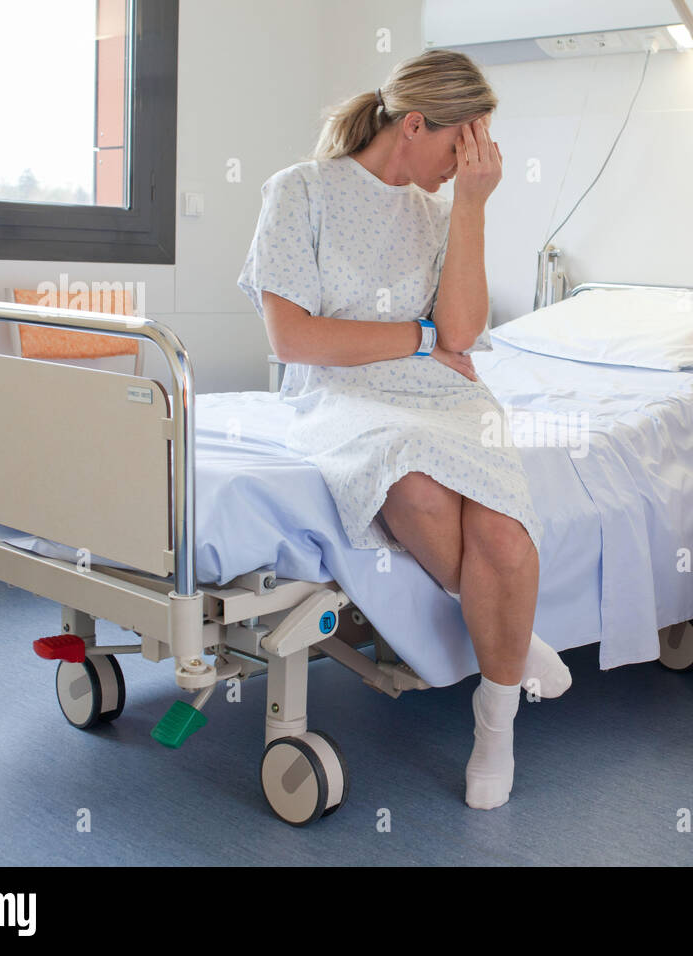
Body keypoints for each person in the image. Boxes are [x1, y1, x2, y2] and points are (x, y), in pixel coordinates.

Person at [237, 50, 570, 810]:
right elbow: (295, 340)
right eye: (464, 146)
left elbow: (459, 330)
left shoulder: (442, 210)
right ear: (415, 125)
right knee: (413, 484)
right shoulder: (301, 193)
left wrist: (475, 210)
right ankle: (511, 642)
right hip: (342, 394)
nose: (469, 164)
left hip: (444, 394)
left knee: (505, 535)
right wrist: (416, 340)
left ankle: (496, 720)